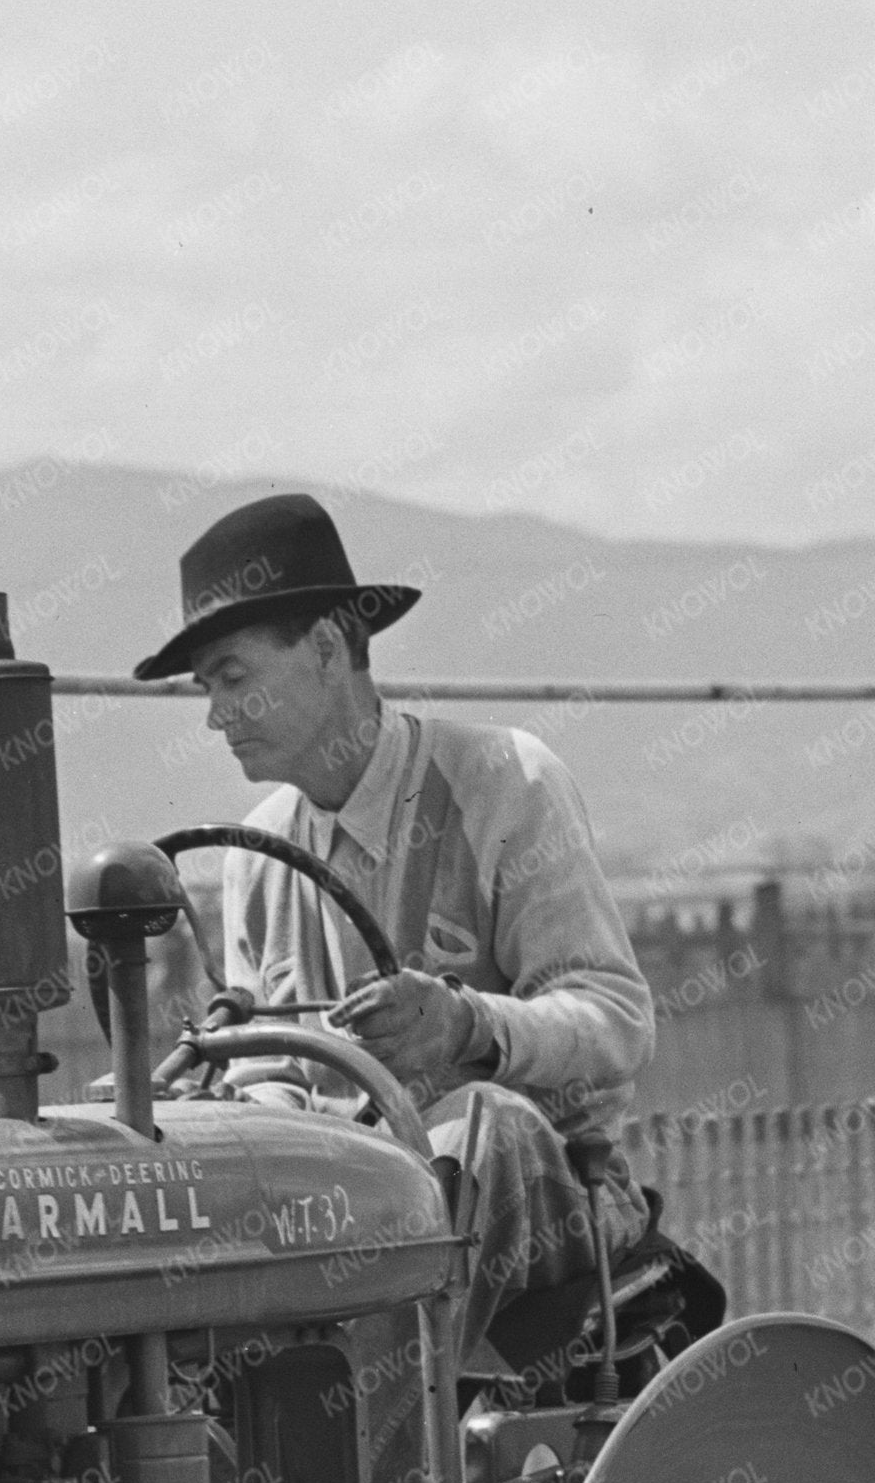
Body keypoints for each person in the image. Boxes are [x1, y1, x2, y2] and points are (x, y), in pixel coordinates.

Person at [143, 490, 665, 1376]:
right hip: (348, 1211)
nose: (214, 715)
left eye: (232, 679)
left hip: (553, 1199)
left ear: (326, 647)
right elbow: (272, 1076)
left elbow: (615, 1022)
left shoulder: (506, 781)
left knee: (477, 1123)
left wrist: (468, 1025)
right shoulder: (254, 854)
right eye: (205, 691)